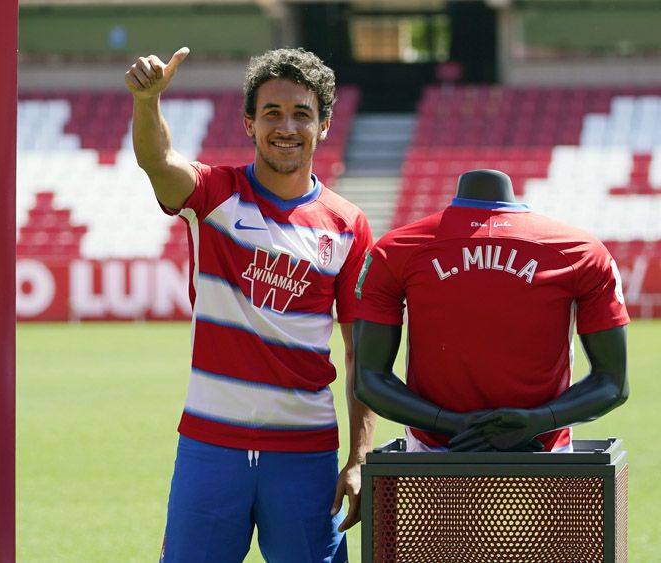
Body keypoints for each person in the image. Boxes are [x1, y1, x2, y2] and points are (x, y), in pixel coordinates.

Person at [125, 46, 376, 562]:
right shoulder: (214, 195)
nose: (286, 127)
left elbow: (361, 354)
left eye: (302, 114)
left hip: (307, 455)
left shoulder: (348, 225)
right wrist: (147, 102)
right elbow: (157, 160)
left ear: (324, 125)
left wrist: (358, 456)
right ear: (248, 123)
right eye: (272, 113)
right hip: (210, 448)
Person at [354, 169, 629, 453]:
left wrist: (452, 424)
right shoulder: (582, 251)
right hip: (546, 461)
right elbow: (612, 383)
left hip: (435, 461)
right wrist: (537, 421)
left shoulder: (396, 249)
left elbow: (369, 381)